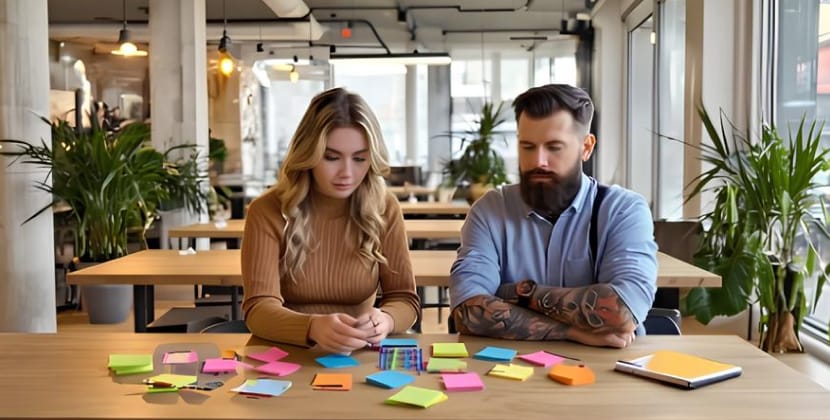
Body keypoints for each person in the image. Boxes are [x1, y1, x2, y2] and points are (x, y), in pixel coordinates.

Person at [449, 84, 657, 348]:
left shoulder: (623, 210)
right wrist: (571, 332)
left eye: (554, 147)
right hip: (507, 370)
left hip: (609, 369)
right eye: (527, 147)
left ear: (586, 147)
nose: (539, 161)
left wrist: (517, 292)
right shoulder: (490, 211)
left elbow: (622, 312)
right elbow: (467, 312)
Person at [242, 87, 420, 354]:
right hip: (286, 356)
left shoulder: (384, 207)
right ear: (309, 154)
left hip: (361, 357)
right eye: (331, 157)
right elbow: (258, 309)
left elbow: (405, 299)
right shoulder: (267, 211)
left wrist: (386, 319)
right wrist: (312, 327)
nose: (347, 173)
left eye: (360, 159)